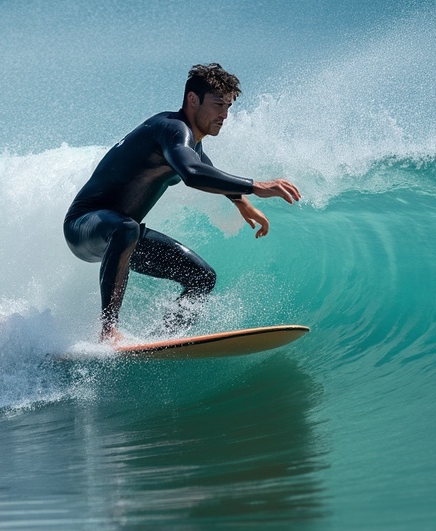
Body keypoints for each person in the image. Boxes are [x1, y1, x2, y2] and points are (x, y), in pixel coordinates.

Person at [63, 63, 301, 342]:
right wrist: (256, 186)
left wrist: (239, 201)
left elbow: (201, 162)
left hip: (120, 235)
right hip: (85, 225)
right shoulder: (172, 129)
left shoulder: (190, 142)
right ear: (192, 99)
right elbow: (192, 172)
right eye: (218, 104)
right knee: (127, 228)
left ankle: (160, 340)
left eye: (229, 106)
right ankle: (108, 331)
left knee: (202, 277)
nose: (225, 115)